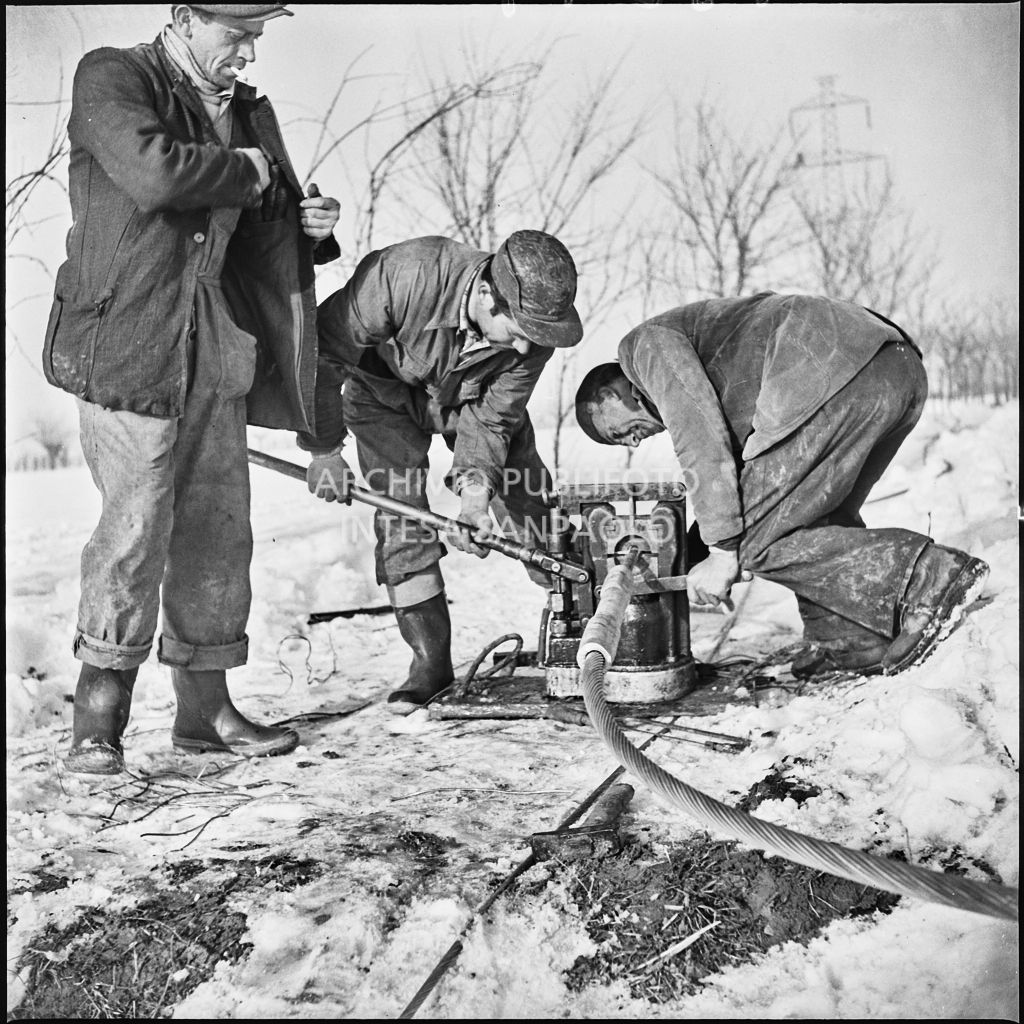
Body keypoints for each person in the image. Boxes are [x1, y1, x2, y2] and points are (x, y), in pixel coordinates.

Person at [42, 4, 342, 775]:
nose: (250, 50)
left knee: (217, 532)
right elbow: (154, 172)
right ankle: (98, 721)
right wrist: (247, 170)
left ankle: (204, 714)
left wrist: (312, 226)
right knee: (135, 529)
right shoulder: (114, 76)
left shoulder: (247, 111)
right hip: (128, 343)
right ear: (183, 17)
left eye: (257, 35)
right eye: (237, 34)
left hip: (215, 342)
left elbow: (271, 218)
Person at [574, 292, 989, 678]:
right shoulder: (706, 364)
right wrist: (692, 557)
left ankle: (927, 576)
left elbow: (700, 440)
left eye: (615, 433)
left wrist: (722, 553)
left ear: (611, 393)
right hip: (894, 368)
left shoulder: (643, 349)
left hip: (839, 374)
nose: (631, 442)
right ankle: (847, 638)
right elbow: (745, 486)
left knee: (756, 543)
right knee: (808, 516)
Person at [303, 231, 583, 712]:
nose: (523, 349)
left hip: (471, 404)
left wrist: (475, 498)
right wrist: (325, 449)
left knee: (529, 505)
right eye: (517, 331)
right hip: (380, 395)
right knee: (401, 518)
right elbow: (323, 355)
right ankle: (429, 663)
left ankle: (583, 630)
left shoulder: (534, 338)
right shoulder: (403, 274)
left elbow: (492, 419)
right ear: (485, 296)